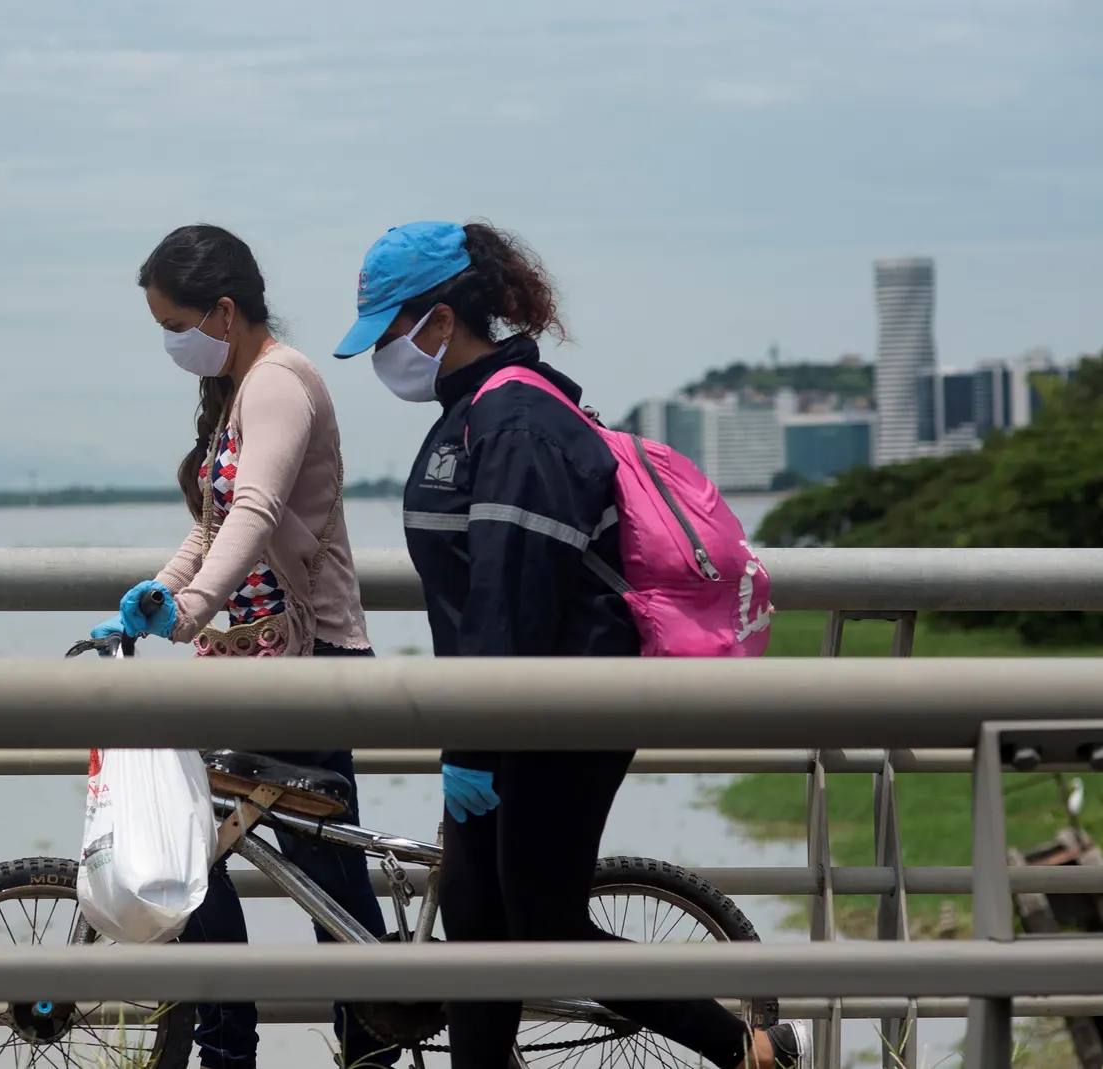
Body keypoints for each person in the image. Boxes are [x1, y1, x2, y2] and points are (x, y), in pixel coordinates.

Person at [333, 220, 812, 1069]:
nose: (385, 355)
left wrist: (474, 745)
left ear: (441, 321)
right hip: (507, 713)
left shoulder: (515, 420)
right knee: (481, 924)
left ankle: (750, 1049)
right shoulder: (480, 408)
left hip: (556, 712)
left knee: (544, 921)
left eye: (391, 331)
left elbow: (513, 596)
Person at [93, 223, 396, 1069]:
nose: (169, 342)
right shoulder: (239, 387)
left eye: (174, 323)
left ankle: (282, 1047)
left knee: (319, 879)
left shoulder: (280, 384)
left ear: (222, 312)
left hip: (303, 661)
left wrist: (185, 610)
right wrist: (151, 597)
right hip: (253, 662)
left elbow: (257, 510)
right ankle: (242, 1041)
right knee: (207, 848)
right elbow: (213, 528)